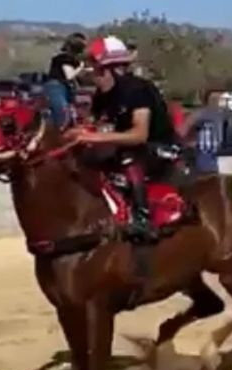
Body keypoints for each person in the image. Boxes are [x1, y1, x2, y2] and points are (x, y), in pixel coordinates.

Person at [69, 35, 177, 242]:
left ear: (110, 68)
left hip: (160, 148)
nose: (90, 73)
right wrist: (76, 133)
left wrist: (94, 136)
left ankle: (142, 219)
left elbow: (139, 135)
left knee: (128, 157)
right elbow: (93, 124)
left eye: (94, 67)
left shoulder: (136, 90)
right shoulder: (101, 96)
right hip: (124, 148)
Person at [43, 32, 87, 129]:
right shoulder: (63, 58)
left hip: (62, 87)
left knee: (62, 113)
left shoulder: (70, 59)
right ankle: (60, 133)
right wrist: (81, 67)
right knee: (63, 114)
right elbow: (69, 75)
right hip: (56, 87)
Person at [179, 90, 226, 177]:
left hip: (214, 155)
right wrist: (188, 142)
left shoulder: (219, 114)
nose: (218, 100)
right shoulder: (201, 114)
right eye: (215, 98)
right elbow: (182, 131)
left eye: (219, 97)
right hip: (204, 154)